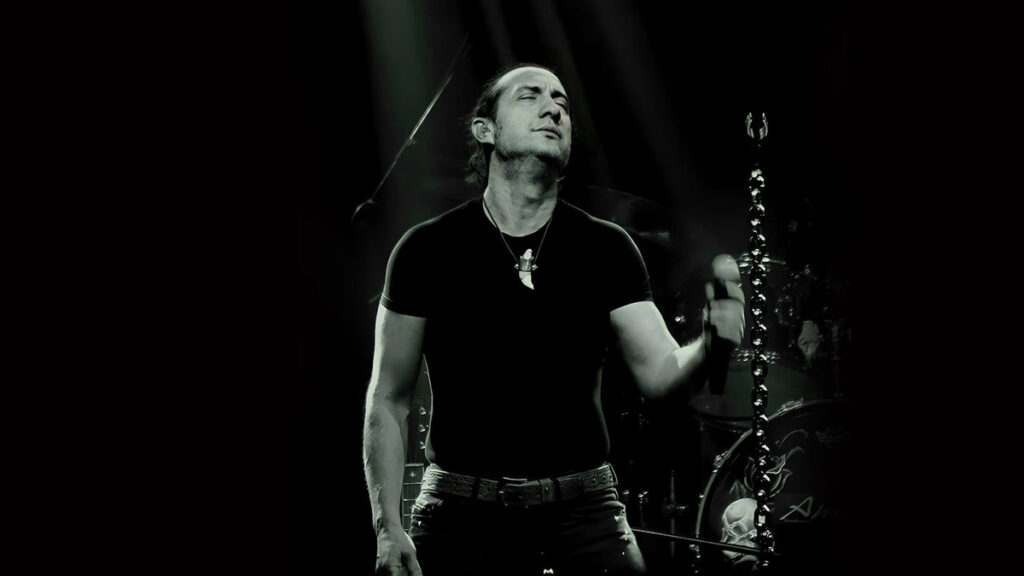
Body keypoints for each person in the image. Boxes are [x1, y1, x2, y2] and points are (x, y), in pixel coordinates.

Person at [362, 64, 746, 576]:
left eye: (562, 102)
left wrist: (710, 345)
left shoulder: (607, 248)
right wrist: (388, 526)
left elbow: (660, 372)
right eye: (531, 96)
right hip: (459, 513)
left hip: (584, 512)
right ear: (485, 130)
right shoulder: (425, 250)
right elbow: (388, 398)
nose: (553, 109)